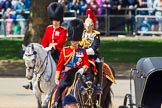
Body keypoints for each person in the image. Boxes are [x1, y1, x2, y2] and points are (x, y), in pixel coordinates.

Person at [22, 2, 67, 90]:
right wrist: (45, 47)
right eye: (54, 20)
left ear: (60, 21)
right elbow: (45, 40)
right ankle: (32, 82)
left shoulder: (63, 30)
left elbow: (62, 41)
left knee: (60, 64)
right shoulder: (49, 28)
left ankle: (60, 79)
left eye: (57, 20)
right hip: (48, 49)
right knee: (37, 62)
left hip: (57, 50)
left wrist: (55, 45)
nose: (55, 22)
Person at [52, 18, 89, 108]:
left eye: (76, 40)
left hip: (79, 73)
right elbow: (60, 66)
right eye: (73, 40)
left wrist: (82, 69)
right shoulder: (65, 50)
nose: (74, 42)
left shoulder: (82, 51)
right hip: (68, 74)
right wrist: (57, 77)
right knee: (60, 87)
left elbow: (86, 64)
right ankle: (56, 103)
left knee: (88, 88)